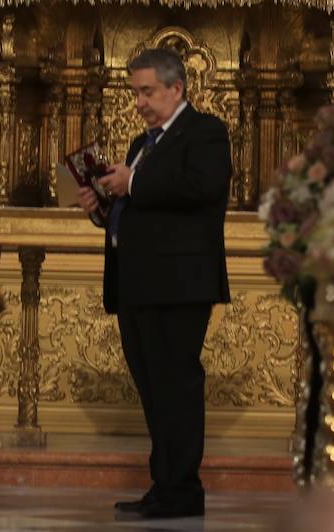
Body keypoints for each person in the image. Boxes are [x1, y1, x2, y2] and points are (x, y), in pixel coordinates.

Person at [76, 48, 232, 520]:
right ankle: (163, 486)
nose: (139, 102)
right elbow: (140, 215)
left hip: (180, 284)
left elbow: (201, 189)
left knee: (176, 386)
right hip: (139, 283)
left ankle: (183, 491)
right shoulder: (140, 145)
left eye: (147, 92)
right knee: (152, 387)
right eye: (135, 93)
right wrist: (102, 209)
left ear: (176, 89)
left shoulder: (206, 133)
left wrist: (134, 183)